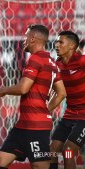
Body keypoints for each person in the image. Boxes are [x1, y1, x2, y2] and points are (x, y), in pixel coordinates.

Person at [0, 24, 67, 169]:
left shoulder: (35, 59)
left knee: (40, 166)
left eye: (26, 36)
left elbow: (23, 88)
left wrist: (4, 90)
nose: (23, 40)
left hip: (35, 127)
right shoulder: (51, 62)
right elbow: (62, 92)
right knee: (0, 161)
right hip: (24, 125)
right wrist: (47, 110)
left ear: (33, 39)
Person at [50, 31, 85, 169]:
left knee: (68, 151)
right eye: (57, 42)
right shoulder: (57, 65)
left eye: (61, 42)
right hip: (69, 115)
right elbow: (58, 92)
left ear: (72, 46)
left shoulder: (81, 61)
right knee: (52, 151)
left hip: (83, 117)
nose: (56, 45)